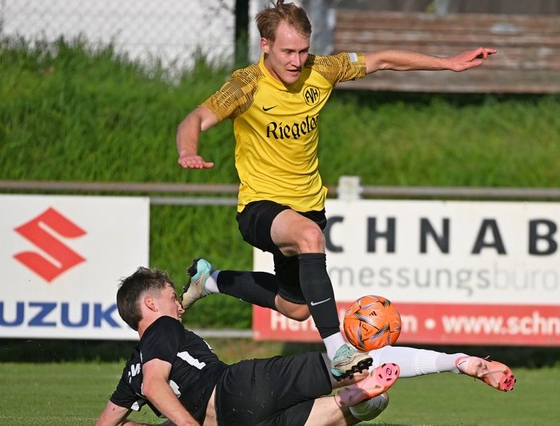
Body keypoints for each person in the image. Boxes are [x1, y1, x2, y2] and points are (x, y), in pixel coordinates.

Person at [176, 0, 498, 381]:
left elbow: (381, 60)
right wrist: (188, 150)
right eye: (287, 52)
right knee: (310, 238)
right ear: (265, 46)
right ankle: (336, 350)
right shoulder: (246, 85)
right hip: (259, 207)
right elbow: (196, 117)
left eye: (302, 50)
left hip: (308, 206)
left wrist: (448, 62)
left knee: (296, 307)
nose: (296, 61)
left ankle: (209, 280)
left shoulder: (321, 70)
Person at [96, 267, 515, 426]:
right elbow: (156, 386)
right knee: (349, 361)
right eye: (173, 296)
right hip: (239, 387)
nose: (178, 304)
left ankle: (360, 399)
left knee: (331, 412)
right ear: (151, 305)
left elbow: (108, 424)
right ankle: (459, 363)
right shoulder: (163, 328)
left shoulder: (134, 363)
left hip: (234, 419)